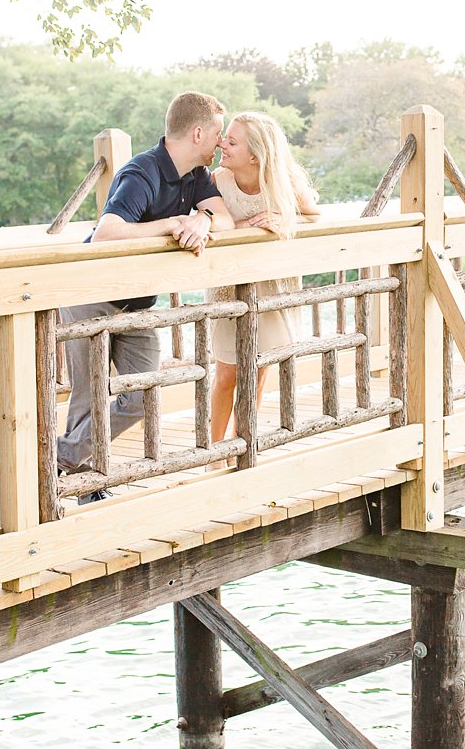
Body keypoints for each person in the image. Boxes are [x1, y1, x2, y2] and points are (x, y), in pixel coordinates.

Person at [58, 91, 234, 502]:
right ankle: (86, 485)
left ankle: (58, 459)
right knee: (89, 395)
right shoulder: (142, 171)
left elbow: (224, 216)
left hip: (137, 305)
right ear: (196, 133)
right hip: (91, 295)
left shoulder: (197, 176)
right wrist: (174, 222)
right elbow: (106, 234)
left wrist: (203, 221)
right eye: (217, 135)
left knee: (141, 397)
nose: (220, 144)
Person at [208, 111, 321, 447]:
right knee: (227, 371)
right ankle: (215, 451)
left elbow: (315, 218)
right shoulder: (217, 181)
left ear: (255, 155)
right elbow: (215, 226)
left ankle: (244, 443)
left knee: (257, 370)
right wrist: (250, 230)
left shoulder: (286, 182)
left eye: (231, 140)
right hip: (230, 287)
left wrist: (284, 218)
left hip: (271, 288)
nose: (221, 144)